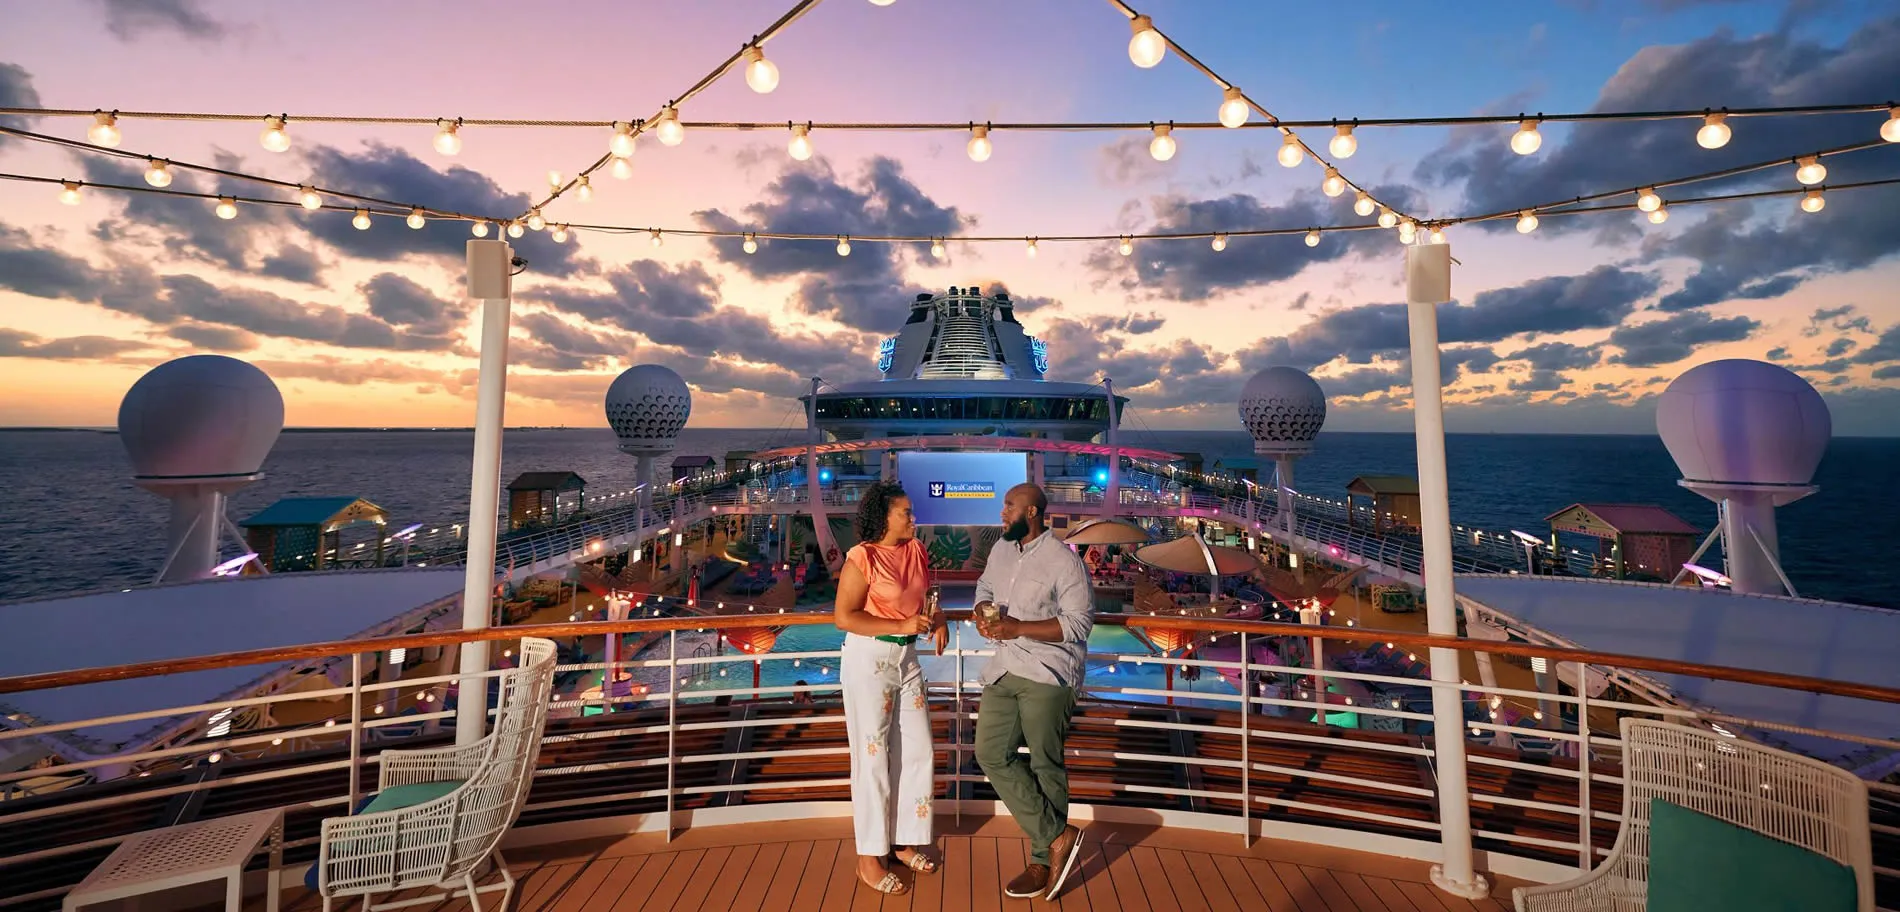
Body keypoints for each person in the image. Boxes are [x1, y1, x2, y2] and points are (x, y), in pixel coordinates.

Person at [973, 483, 1094, 899]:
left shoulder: (1065, 562)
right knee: (989, 753)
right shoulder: (1002, 551)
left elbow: (1078, 624)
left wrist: (1019, 627)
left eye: (1009, 507)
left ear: (1033, 513)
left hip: (1047, 672)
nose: (1002, 513)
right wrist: (979, 611)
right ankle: (1058, 836)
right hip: (1005, 667)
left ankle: (1043, 862)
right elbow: (985, 588)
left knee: (1045, 764)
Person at [832, 480, 947, 895]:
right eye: (906, 513)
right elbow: (844, 617)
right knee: (872, 757)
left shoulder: (916, 549)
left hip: (907, 660)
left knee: (919, 750)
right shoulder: (862, 558)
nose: (914, 518)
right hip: (870, 660)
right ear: (885, 518)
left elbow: (924, 595)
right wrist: (899, 625)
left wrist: (939, 617)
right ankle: (869, 857)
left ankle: (901, 842)